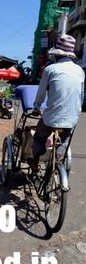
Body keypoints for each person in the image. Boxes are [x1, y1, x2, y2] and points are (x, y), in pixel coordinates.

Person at [28, 34, 85, 174]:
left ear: (57, 55)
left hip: (51, 118)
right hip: (72, 118)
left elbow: (41, 93)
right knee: (63, 141)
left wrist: (36, 107)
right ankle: (57, 164)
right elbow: (81, 95)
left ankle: (35, 164)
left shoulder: (50, 69)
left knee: (39, 138)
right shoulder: (80, 71)